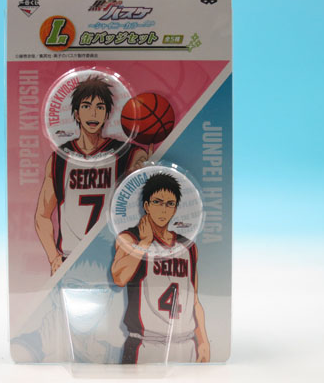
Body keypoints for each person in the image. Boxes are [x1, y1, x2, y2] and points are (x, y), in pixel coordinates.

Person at [36, 75, 148, 275]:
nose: (93, 113)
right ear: (77, 114)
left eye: (100, 107)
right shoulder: (59, 159)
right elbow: (42, 215)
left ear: (107, 114)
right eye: (86, 106)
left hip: (114, 258)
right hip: (71, 258)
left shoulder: (128, 154)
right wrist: (53, 257)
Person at [111, 173, 210, 363]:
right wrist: (145, 242)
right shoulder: (130, 239)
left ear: (175, 209)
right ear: (146, 205)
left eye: (169, 204)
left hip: (186, 342)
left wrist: (203, 341)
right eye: (157, 202)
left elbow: (194, 300)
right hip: (145, 343)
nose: (163, 209)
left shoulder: (187, 247)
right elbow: (119, 278)